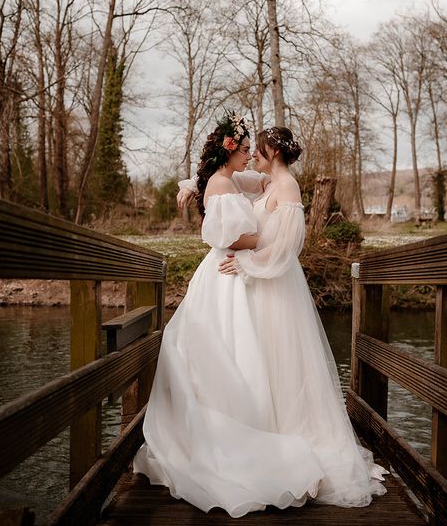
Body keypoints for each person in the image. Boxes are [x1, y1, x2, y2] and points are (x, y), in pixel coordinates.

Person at [134, 112, 387, 518]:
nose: (252, 156)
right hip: (249, 278)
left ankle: (268, 429)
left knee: (268, 355)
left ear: (272, 153)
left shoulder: (285, 186)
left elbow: (286, 245)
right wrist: (190, 185)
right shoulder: (266, 180)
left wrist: (246, 260)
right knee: (245, 353)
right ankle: (246, 425)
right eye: (245, 149)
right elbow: (225, 184)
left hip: (266, 279)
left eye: (257, 150)